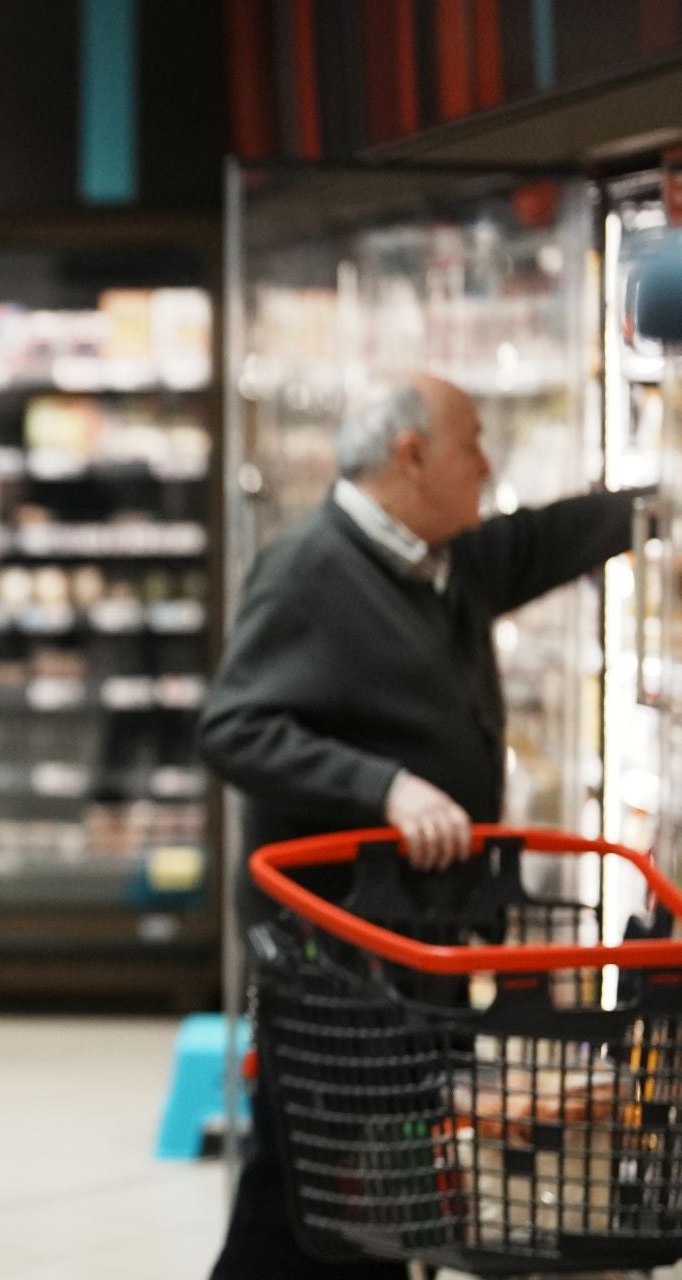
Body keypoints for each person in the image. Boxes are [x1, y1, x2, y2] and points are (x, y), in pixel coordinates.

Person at [197, 375, 640, 1279]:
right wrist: (385, 787)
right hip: (332, 947)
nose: (488, 465)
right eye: (473, 443)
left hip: (413, 940)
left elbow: (534, 541)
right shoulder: (311, 569)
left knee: (363, 1180)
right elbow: (234, 728)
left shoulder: (443, 559)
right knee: (321, 1184)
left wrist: (649, 505)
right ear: (412, 455)